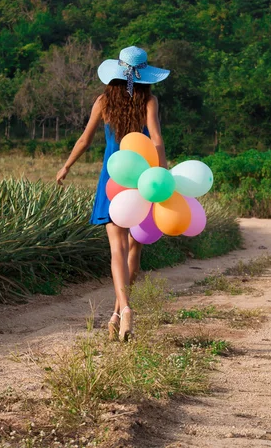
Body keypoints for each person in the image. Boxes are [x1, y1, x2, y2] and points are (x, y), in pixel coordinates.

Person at [56, 46, 170, 341]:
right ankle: (119, 312)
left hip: (113, 180)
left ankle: (124, 308)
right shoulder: (149, 100)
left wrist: (66, 167)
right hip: (143, 179)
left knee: (116, 249)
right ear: (144, 76)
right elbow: (156, 140)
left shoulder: (104, 101)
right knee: (136, 247)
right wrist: (162, 174)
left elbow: (85, 138)